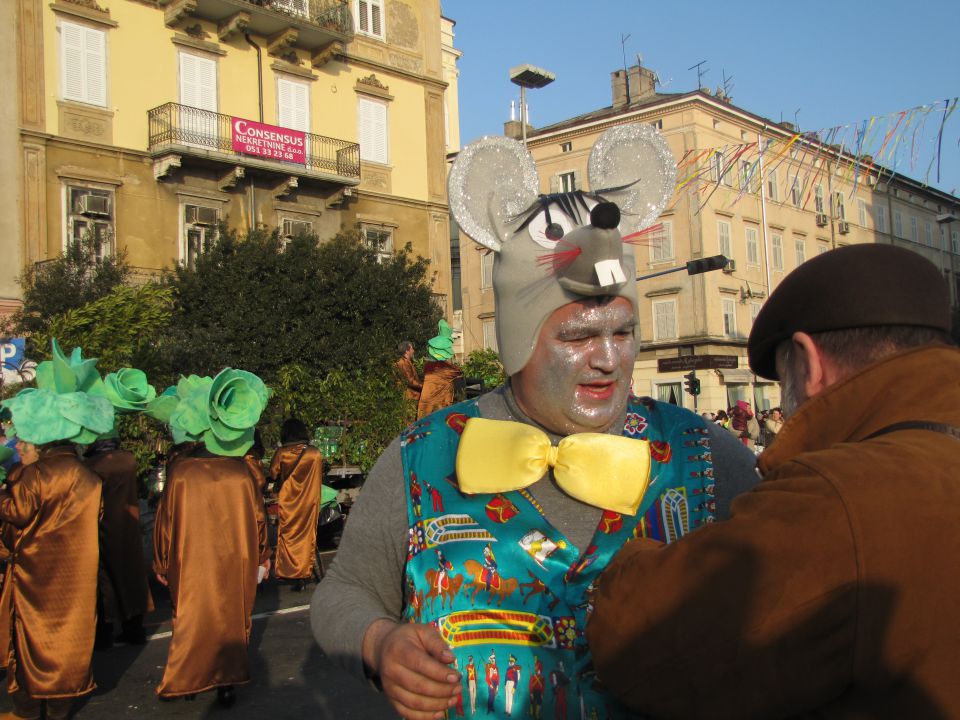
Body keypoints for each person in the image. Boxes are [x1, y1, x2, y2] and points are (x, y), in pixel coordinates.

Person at [311, 125, 758, 719]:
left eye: (622, 332)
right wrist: (379, 643)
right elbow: (345, 590)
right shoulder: (423, 455)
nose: (608, 358)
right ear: (519, 340)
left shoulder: (706, 456)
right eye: (577, 336)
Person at [587, 243, 960, 717]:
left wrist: (633, 555)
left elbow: (641, 641)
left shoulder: (839, 496)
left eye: (783, 378)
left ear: (807, 363)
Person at [0, 341, 113, 720]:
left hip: (36, 573)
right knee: (72, 636)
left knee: (29, 641)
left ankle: (29, 707)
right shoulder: (87, 475)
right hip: (76, 574)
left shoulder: (38, 475)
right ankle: (64, 702)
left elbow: (14, 513)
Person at [149, 369, 271, 707]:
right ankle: (226, 683)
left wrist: (160, 560)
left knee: (189, 618)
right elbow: (260, 519)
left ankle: (187, 680)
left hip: (190, 561)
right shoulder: (240, 473)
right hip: (237, 560)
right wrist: (263, 555)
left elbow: (165, 522)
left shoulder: (182, 473)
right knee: (232, 620)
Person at [269, 418, 325, 591]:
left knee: (288, 538)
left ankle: (292, 573)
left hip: (289, 503)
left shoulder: (282, 453)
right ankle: (306, 572)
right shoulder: (314, 453)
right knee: (308, 538)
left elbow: (273, 473)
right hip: (309, 503)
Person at [416, 320, 463, 419]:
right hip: (440, 404)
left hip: (426, 402)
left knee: (425, 425)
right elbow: (459, 372)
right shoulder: (448, 369)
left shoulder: (428, 366)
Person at [394, 340, 423, 406]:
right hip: (410, 397)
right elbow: (410, 381)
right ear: (407, 351)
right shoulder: (403, 363)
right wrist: (424, 386)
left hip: (411, 396)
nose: (413, 351)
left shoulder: (405, 361)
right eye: (412, 349)